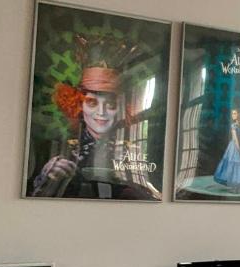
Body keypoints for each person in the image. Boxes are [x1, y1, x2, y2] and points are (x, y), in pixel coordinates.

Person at [30, 65, 159, 199]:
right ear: (79, 105)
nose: (101, 112)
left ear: (120, 109)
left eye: (110, 105)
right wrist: (46, 179)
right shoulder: (56, 147)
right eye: (92, 103)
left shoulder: (133, 151)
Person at [213, 108, 240, 192]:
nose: (233, 115)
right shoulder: (239, 125)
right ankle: (236, 187)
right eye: (232, 114)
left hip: (235, 147)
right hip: (236, 146)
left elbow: (238, 139)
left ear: (238, 114)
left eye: (235, 113)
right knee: (238, 166)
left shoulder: (234, 125)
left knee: (237, 166)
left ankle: (236, 187)